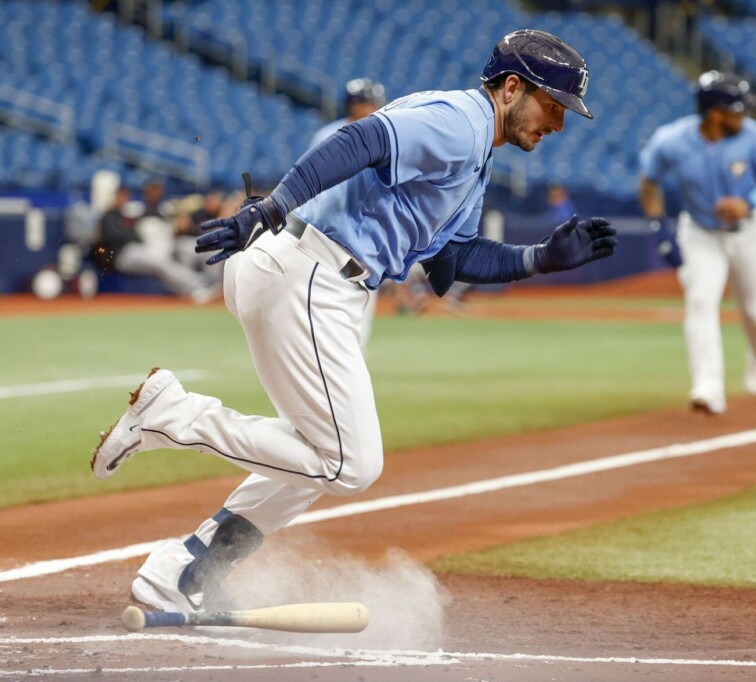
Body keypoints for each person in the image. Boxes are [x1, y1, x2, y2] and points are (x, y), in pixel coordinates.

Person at [91, 29, 616, 614]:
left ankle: (187, 570)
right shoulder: (460, 120)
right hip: (310, 271)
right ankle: (172, 417)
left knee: (315, 454)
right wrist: (271, 206)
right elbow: (360, 139)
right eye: (553, 105)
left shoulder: (476, 153)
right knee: (350, 462)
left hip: (311, 276)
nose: (558, 124)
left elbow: (450, 262)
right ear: (512, 88)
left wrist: (540, 259)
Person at [638, 70, 756, 415]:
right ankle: (708, 386)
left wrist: (749, 202)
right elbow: (649, 182)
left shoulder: (752, 136)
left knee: (752, 304)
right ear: (716, 114)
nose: (745, 115)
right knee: (701, 302)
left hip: (748, 229)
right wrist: (659, 228)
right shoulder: (672, 140)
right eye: (739, 108)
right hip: (701, 232)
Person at [296, 77, 389, 352]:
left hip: (362, 241)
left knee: (358, 318)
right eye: (368, 102)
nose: (374, 107)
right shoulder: (331, 135)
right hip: (327, 237)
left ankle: (345, 366)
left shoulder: (380, 135)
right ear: (356, 104)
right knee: (319, 310)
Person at [92, 185, 215, 303]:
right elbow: (114, 237)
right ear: (114, 196)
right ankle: (198, 285)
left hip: (143, 248)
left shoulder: (137, 213)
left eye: (125, 196)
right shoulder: (110, 216)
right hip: (123, 254)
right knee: (159, 260)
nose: (123, 199)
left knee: (188, 249)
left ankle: (208, 283)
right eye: (120, 196)